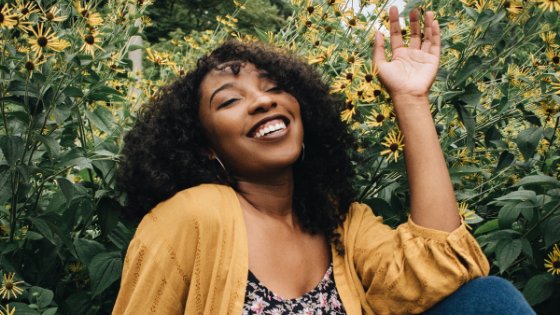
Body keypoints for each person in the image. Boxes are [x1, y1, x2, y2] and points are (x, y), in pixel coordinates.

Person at [112, 7, 535, 315]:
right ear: (204, 146)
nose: (262, 101)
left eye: (273, 86)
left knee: (488, 299)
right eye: (230, 101)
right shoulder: (193, 216)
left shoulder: (340, 223)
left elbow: (441, 270)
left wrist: (411, 99)